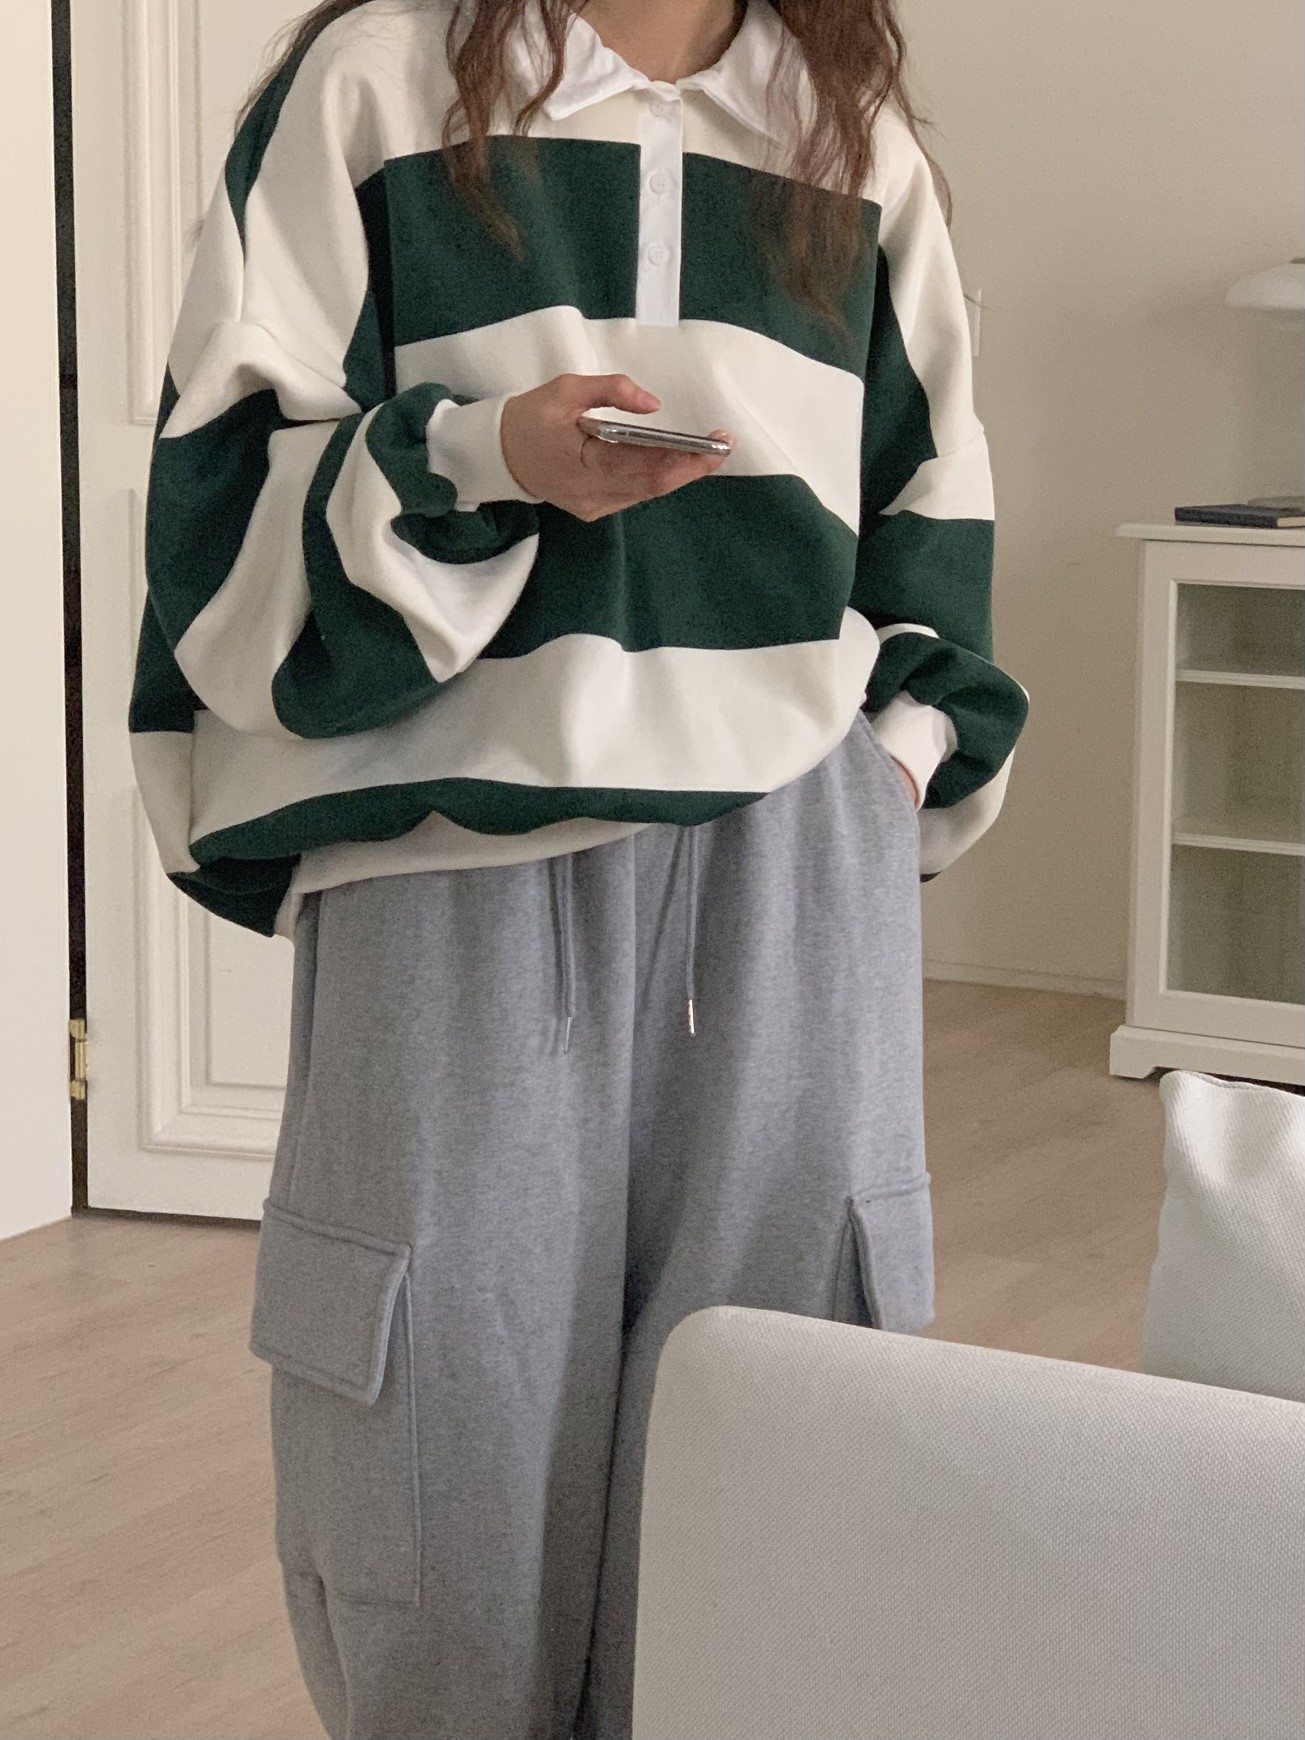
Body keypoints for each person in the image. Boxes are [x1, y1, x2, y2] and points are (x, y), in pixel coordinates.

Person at [128, 1, 1029, 1735]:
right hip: (448, 849)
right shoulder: (376, 79)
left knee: (776, 1441)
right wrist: (482, 455)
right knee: (434, 1447)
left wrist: (885, 768)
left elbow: (933, 506)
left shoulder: (847, 131)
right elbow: (215, 509)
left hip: (790, 849)